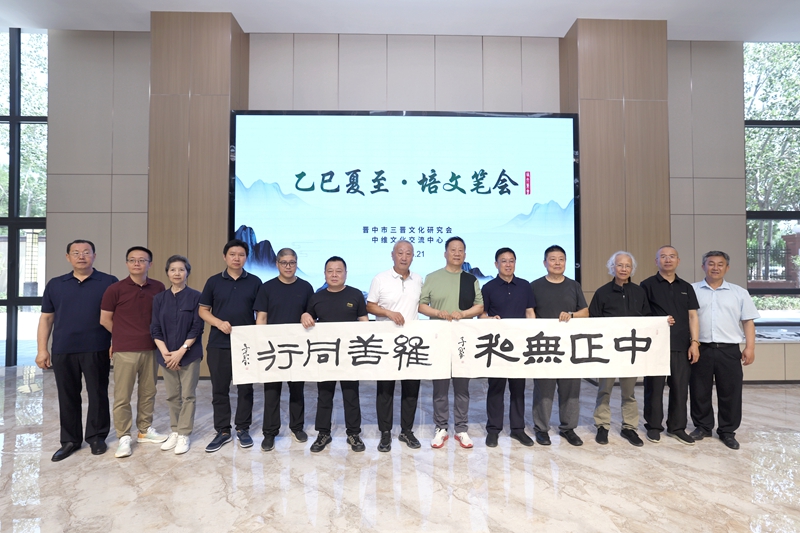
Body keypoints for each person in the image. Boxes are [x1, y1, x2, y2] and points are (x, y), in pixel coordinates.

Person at [36, 240, 118, 461]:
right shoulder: (56, 284)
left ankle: (96, 437)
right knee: (67, 396)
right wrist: (42, 349)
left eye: (86, 252)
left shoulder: (109, 282)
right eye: (76, 253)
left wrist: (116, 341)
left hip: (97, 347)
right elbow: (46, 318)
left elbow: (117, 317)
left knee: (98, 394)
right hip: (64, 348)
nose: (81, 256)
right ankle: (70, 440)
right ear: (68, 257)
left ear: (94, 255)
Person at [100, 246, 168, 458]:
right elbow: (105, 319)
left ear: (150, 264)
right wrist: (121, 335)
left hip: (151, 348)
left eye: (142, 260)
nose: (137, 263)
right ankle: (123, 436)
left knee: (148, 392)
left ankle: (144, 430)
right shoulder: (115, 289)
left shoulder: (158, 287)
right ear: (127, 263)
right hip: (125, 350)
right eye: (132, 260)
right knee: (123, 395)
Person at [418, 236, 484, 449]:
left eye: (460, 250)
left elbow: (479, 307)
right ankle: (441, 428)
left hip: (463, 338)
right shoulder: (432, 277)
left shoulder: (470, 279)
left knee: (462, 386)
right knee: (440, 386)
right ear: (445, 253)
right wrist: (438, 313)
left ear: (465, 254)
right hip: (439, 338)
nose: (457, 253)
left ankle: (461, 429)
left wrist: (462, 314)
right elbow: (421, 305)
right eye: (453, 250)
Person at [690, 251, 759, 450]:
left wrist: (750, 347)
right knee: (699, 390)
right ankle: (703, 427)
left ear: (727, 268)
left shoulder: (739, 292)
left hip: (729, 350)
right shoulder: (692, 290)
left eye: (720, 264)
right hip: (700, 348)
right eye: (711, 263)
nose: (715, 267)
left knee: (730, 391)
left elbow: (748, 321)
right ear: (703, 266)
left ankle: (727, 431)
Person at [199, 239, 263, 452]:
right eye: (233, 254)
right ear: (225, 257)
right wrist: (218, 323)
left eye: (241, 255)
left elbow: (260, 313)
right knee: (220, 389)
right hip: (218, 344)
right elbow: (203, 310)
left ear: (246, 258)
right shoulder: (213, 281)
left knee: (246, 389)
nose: (237, 258)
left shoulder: (255, 282)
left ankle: (243, 428)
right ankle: (223, 431)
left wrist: (257, 335)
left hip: (246, 345)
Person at [301, 256, 368, 453]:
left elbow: (364, 320)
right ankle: (323, 433)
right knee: (324, 395)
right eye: (330, 271)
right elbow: (308, 318)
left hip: (349, 355)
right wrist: (305, 315)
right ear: (324, 274)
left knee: (351, 395)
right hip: (326, 355)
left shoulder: (355, 294)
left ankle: (353, 433)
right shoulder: (317, 297)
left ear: (345, 273)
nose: (334, 275)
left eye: (339, 271)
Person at [254, 248, 314, 452]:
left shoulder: (306, 287)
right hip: (273, 348)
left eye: (292, 262)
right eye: (284, 263)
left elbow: (311, 314)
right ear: (277, 264)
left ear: (296, 263)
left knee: (297, 390)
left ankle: (297, 427)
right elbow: (261, 318)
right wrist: (261, 343)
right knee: (271, 391)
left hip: (298, 347)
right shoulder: (267, 287)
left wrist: (307, 315)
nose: (288, 266)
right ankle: (270, 432)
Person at [366, 240, 424, 452]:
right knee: (385, 389)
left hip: (411, 344)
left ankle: (406, 431)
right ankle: (385, 433)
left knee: (411, 388)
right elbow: (370, 306)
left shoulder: (418, 280)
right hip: (387, 342)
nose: (404, 257)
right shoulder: (380, 279)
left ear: (413, 256)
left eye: (408, 253)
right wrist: (388, 313)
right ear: (392, 255)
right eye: (400, 253)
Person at [640, 245, 700, 446]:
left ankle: (677, 428)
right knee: (654, 388)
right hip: (655, 346)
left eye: (672, 256)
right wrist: (659, 320)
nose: (668, 260)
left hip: (681, 346)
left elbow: (693, 316)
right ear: (656, 261)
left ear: (678, 261)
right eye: (663, 256)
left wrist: (695, 343)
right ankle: (653, 426)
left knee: (680, 389)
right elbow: (641, 315)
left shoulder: (686, 287)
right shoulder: (646, 285)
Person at [589, 251, 650, 447]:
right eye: (619, 265)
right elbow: (593, 321)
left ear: (632, 269)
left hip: (630, 351)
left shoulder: (639, 292)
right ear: (612, 267)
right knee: (604, 390)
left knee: (629, 393)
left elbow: (648, 320)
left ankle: (629, 428)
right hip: (608, 351)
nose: (624, 269)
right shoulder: (602, 292)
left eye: (627, 265)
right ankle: (602, 426)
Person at [530, 245, 589, 447]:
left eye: (561, 259)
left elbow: (585, 312)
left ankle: (568, 428)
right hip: (544, 346)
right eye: (553, 259)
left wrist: (571, 315)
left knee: (570, 389)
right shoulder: (535, 286)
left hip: (570, 346)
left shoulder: (574, 285)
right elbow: (529, 314)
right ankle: (541, 429)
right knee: (544, 390)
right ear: (544, 262)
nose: (557, 263)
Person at [480, 247, 536, 448]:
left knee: (518, 388)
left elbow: (530, 313)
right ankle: (493, 429)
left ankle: (518, 429)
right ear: (496, 264)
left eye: (511, 260)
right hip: (497, 346)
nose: (508, 264)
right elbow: (482, 315)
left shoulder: (525, 286)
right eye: (503, 261)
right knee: (496, 388)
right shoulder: (488, 287)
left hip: (520, 345)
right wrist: (490, 319)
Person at [150, 255, 204, 455]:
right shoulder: (159, 299)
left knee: (188, 395)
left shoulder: (196, 297)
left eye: (181, 269)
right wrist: (166, 353)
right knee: (173, 395)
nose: (177, 273)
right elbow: (155, 328)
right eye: (173, 269)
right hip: (166, 355)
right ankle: (175, 430)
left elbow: (197, 328)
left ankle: (184, 434)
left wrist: (181, 352)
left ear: (187, 272)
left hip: (189, 354)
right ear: (167, 273)